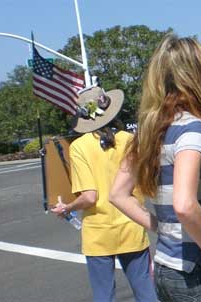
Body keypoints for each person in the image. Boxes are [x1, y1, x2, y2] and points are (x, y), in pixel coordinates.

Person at [108, 34, 201, 302]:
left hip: (167, 267)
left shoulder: (150, 130)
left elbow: (118, 194)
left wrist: (162, 226)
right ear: (195, 74)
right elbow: (184, 204)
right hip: (200, 271)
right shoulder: (193, 127)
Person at [51, 86, 157, 302]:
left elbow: (90, 196)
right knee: (146, 293)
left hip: (98, 233)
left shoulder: (79, 146)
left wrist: (67, 208)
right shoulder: (130, 139)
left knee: (104, 296)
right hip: (132, 223)